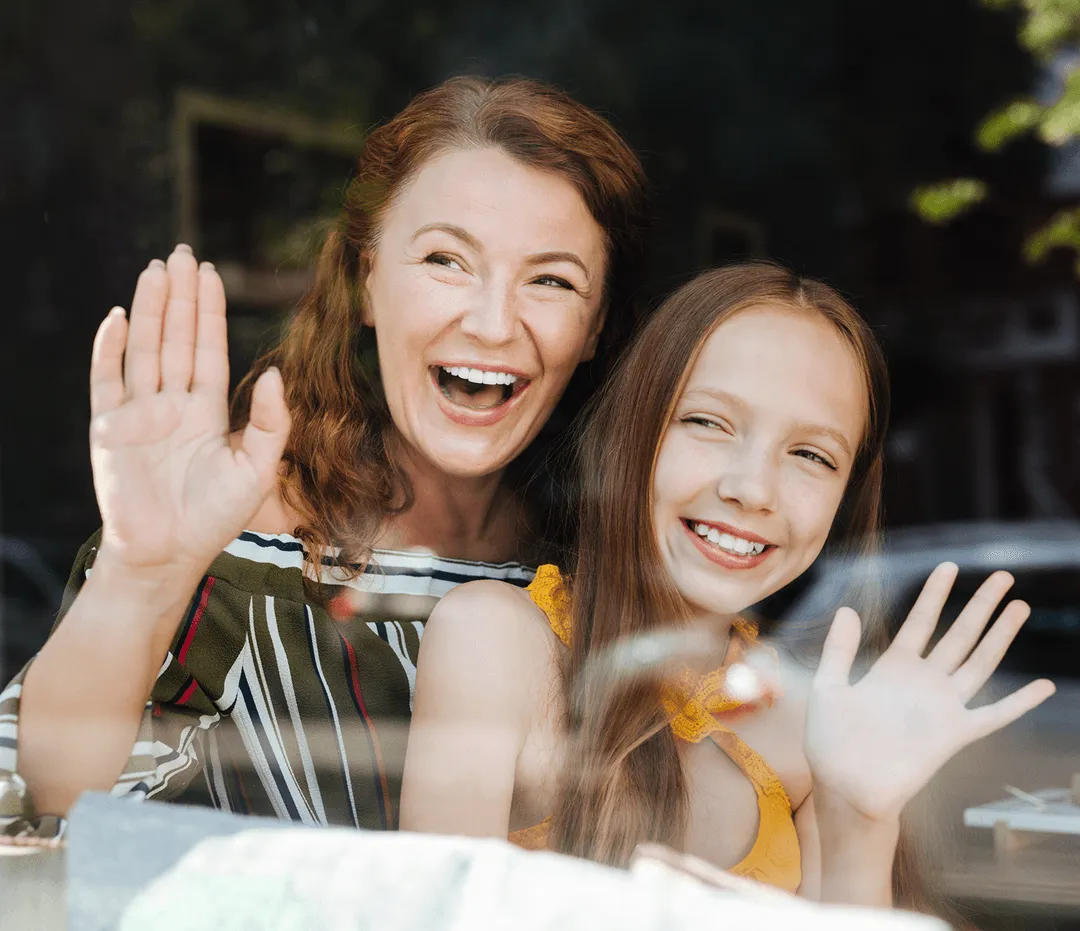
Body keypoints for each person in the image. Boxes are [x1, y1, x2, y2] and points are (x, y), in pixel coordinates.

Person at [0, 75, 650, 835]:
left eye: (550, 279)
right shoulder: (237, 535)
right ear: (367, 279)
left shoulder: (604, 568)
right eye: (447, 260)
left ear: (598, 324)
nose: (493, 321)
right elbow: (44, 797)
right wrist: (138, 580)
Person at [399, 263, 1055, 909]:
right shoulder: (496, 637)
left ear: (844, 499)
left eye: (811, 456)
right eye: (709, 422)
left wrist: (862, 816)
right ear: (632, 432)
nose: (752, 489)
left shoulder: (811, 718)